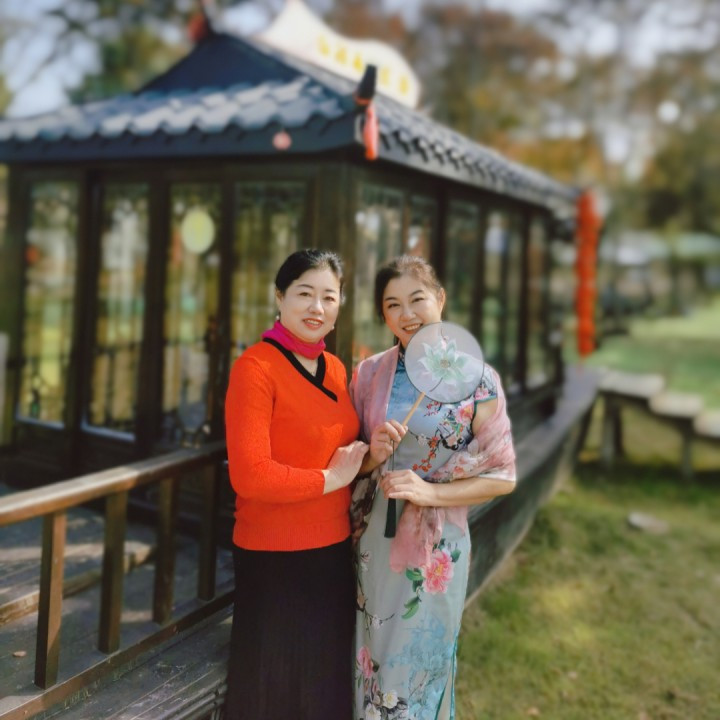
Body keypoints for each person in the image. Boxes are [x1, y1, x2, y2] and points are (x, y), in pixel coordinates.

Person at [350, 255, 517, 720]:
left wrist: (430, 493)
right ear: (383, 315)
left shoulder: (478, 380)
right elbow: (351, 461)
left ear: (440, 300)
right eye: (392, 305)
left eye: (417, 299)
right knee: (374, 659)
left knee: (422, 664)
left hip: (438, 549)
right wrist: (372, 455)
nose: (407, 314)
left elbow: (503, 475)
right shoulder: (369, 374)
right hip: (375, 541)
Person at [224, 249, 367, 720]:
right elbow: (250, 475)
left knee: (323, 690)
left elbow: (340, 453)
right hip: (274, 559)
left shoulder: (337, 369)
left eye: (329, 297)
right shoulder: (255, 368)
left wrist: (372, 453)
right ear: (279, 297)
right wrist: (330, 479)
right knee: (272, 690)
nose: (317, 308)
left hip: (332, 551)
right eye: (305, 293)